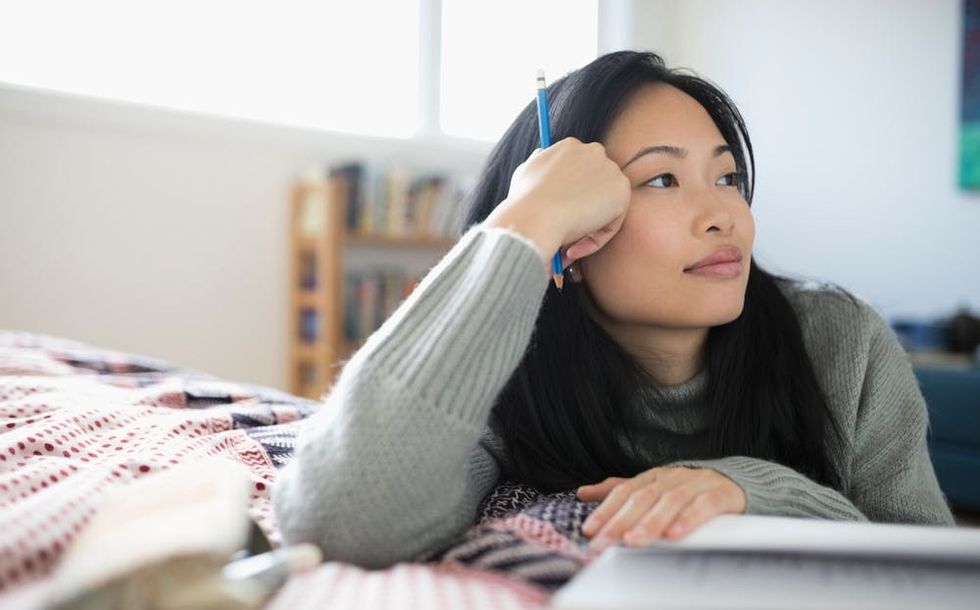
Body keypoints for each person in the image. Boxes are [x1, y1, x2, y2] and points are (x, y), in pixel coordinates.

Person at [273, 50, 954, 569]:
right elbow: (340, 518)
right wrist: (527, 219)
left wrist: (756, 490)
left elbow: (930, 571)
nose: (724, 215)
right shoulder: (510, 361)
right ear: (574, 233)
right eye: (661, 179)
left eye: (728, 177)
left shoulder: (839, 340)